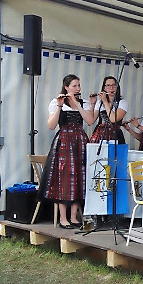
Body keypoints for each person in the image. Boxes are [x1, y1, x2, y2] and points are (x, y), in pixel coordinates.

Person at [39, 74, 95, 229]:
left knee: (79, 176)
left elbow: (90, 121)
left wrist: (77, 104)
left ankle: (74, 217)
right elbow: (51, 125)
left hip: (80, 140)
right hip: (64, 140)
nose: (78, 88)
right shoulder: (56, 102)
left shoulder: (80, 102)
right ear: (66, 87)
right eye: (75, 86)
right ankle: (63, 218)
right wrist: (59, 105)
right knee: (63, 178)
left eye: (79, 85)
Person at [89, 76, 128, 144]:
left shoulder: (122, 102)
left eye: (113, 85)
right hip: (100, 133)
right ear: (104, 88)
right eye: (108, 85)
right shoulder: (99, 102)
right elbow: (91, 121)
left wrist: (105, 102)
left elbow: (113, 119)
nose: (111, 88)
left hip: (115, 133)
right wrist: (92, 104)